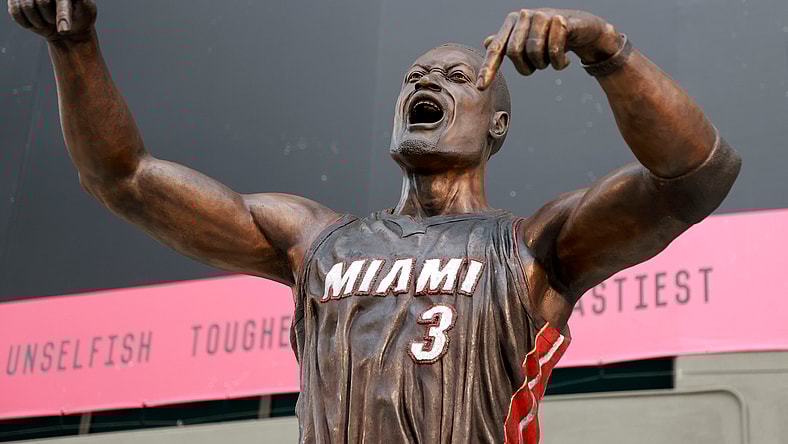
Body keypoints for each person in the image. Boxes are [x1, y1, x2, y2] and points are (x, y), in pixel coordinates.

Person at [8, 1, 741, 442]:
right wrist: (74, 48)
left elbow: (697, 174)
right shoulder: (315, 240)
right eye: (415, 77)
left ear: (496, 127)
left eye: (457, 78)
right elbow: (124, 179)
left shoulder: (531, 248)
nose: (427, 82)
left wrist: (606, 48)